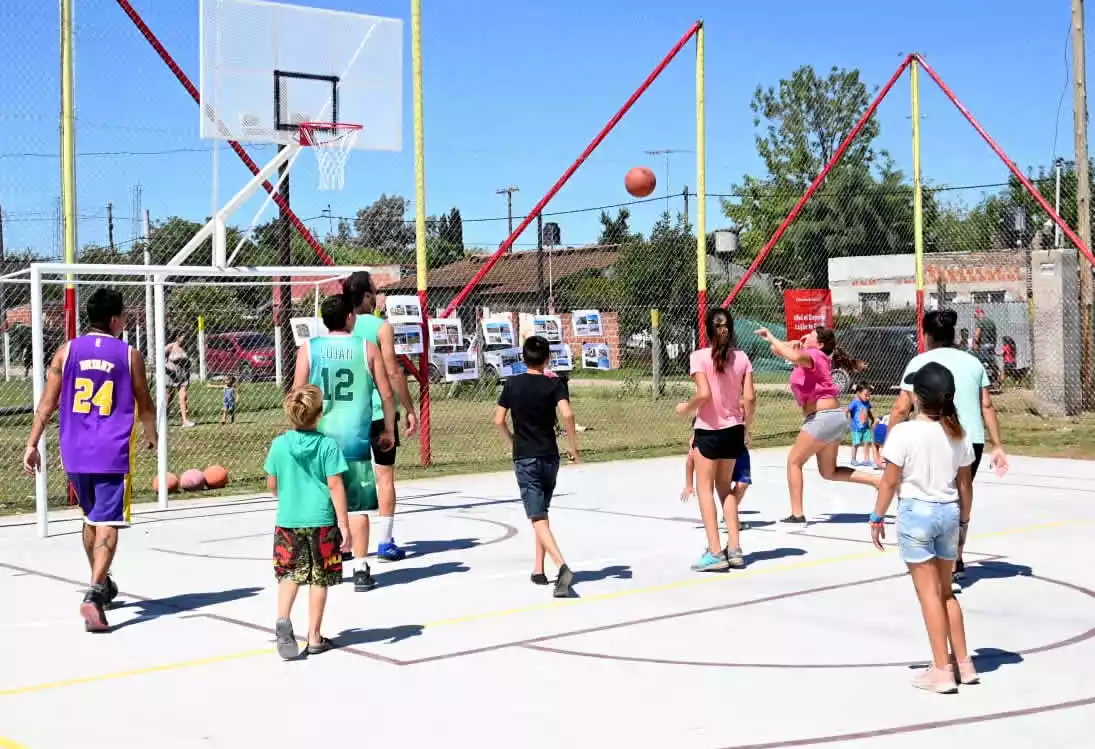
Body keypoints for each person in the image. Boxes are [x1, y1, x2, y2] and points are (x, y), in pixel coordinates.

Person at [22, 288, 157, 632]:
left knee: (90, 516)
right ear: (114, 320)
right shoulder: (129, 355)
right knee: (109, 519)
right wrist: (151, 433)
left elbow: (47, 403)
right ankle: (94, 593)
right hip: (112, 451)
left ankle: (101, 582)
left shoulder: (66, 352)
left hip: (74, 451)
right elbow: (144, 398)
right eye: (124, 315)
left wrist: (32, 443)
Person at [869, 363, 977, 693]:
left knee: (927, 595)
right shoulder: (957, 433)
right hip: (948, 514)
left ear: (917, 397)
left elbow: (889, 482)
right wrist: (964, 522)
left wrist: (877, 517)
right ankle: (964, 663)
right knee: (947, 593)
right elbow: (965, 486)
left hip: (917, 514)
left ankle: (941, 671)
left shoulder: (903, 432)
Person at [888, 309, 1008, 593]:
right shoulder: (973, 361)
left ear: (926, 335)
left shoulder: (919, 362)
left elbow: (902, 406)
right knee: (960, 492)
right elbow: (986, 405)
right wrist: (997, 444)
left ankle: (940, 560)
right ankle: (956, 556)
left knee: (932, 494)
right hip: (970, 439)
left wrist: (889, 439)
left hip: (932, 435)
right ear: (953, 335)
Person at [293, 295, 396, 593]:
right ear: (351, 317)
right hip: (354, 438)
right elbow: (386, 394)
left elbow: (298, 394)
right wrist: (388, 428)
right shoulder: (366, 348)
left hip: (318, 437)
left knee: (320, 503)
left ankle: (324, 561)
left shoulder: (309, 349)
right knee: (358, 505)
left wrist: (298, 430)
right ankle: (362, 568)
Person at [755, 326, 879, 524]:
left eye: (812, 334)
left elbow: (790, 355)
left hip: (822, 417)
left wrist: (771, 336)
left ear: (819, 344)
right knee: (829, 472)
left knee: (794, 462)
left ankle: (797, 513)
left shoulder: (814, 355)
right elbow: (777, 350)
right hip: (832, 417)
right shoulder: (809, 355)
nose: (808, 334)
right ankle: (877, 481)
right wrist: (793, 342)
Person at [266, 385, 353, 660]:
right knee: (319, 578)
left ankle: (282, 618)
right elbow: (336, 485)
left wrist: (287, 496)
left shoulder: (279, 445)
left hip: (288, 521)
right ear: (319, 414)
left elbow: (272, 483)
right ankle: (314, 636)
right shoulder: (327, 446)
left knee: (290, 574)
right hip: (322, 522)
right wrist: (344, 524)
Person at [493, 335, 579, 597]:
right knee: (541, 513)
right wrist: (572, 446)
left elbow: (498, 420)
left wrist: (513, 442)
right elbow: (567, 414)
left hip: (526, 457)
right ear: (547, 359)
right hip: (550, 457)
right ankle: (538, 568)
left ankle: (561, 566)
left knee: (537, 515)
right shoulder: (554, 384)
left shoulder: (512, 384)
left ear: (522, 357)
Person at [342, 272, 418, 562]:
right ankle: (384, 542)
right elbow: (393, 372)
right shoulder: (380, 327)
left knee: (351, 478)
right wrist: (409, 408)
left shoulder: (341, 327)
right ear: (366, 297)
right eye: (374, 291)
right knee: (384, 477)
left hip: (348, 414)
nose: (377, 297)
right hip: (377, 411)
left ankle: (346, 541)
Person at [676, 307, 756, 570]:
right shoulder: (742, 358)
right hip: (734, 430)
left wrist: (685, 409)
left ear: (708, 331)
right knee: (726, 488)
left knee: (705, 490)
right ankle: (734, 548)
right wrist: (747, 426)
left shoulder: (699, 357)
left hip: (709, 433)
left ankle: (714, 552)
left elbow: (703, 394)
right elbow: (750, 398)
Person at [164, 332, 195, 428]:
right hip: (171, 375)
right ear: (177, 337)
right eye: (182, 338)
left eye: (185, 338)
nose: (184, 340)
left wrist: (188, 365)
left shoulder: (186, 347)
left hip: (183, 375)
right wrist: (167, 367)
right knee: (168, 398)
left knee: (183, 397)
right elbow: (160, 357)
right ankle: (161, 419)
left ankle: (185, 421)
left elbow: (188, 360)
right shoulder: (171, 346)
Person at [846, 382, 875, 467]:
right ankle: (853, 459)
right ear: (858, 393)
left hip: (866, 427)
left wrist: (872, 418)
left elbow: (868, 411)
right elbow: (847, 410)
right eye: (866, 395)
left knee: (866, 443)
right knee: (856, 444)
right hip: (856, 428)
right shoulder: (855, 402)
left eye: (869, 395)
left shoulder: (867, 402)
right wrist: (846, 420)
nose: (867, 397)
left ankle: (866, 460)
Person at [972, 308, 999, 388]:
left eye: (975, 316)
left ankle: (983, 383)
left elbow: (977, 334)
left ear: (978, 314)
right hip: (991, 345)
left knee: (982, 364)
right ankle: (994, 381)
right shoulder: (991, 322)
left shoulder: (980, 321)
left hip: (983, 345)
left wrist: (975, 343)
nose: (975, 318)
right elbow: (995, 335)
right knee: (991, 363)